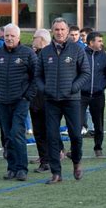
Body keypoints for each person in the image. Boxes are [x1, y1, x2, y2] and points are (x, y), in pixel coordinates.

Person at [36, 17, 91, 184]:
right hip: (51, 100)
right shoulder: (45, 52)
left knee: (75, 135)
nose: (59, 32)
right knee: (52, 137)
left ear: (67, 31)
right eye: (57, 29)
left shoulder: (77, 50)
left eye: (62, 29)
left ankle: (76, 162)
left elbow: (85, 73)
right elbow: (38, 75)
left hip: (72, 100)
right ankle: (56, 173)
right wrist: (44, 88)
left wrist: (74, 88)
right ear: (52, 31)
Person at [0, 24, 37, 181]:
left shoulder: (28, 53)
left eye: (12, 36)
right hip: (2, 102)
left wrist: (27, 96)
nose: (9, 38)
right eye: (7, 35)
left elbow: (36, 76)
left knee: (17, 133)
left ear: (19, 37)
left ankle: (22, 168)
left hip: (20, 101)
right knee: (8, 136)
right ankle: (12, 168)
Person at [81, 32, 106, 157]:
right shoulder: (81, 54)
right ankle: (75, 149)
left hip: (98, 95)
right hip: (81, 95)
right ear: (91, 42)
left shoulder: (103, 56)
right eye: (99, 41)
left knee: (98, 123)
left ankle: (98, 147)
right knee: (77, 123)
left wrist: (101, 86)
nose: (101, 43)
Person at [29, 29, 53, 173]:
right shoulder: (33, 55)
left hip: (49, 100)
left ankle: (51, 159)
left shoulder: (51, 54)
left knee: (49, 132)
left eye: (34, 37)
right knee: (38, 132)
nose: (32, 39)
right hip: (34, 100)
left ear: (42, 40)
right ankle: (44, 161)